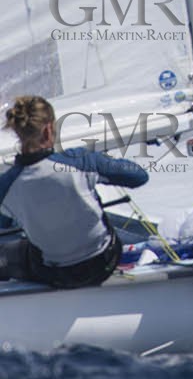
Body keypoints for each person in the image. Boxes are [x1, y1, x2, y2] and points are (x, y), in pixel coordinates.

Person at [0, 96, 148, 288]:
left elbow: (3, 224)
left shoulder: (6, 185)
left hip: (52, 274)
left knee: (10, 251)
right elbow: (139, 177)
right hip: (103, 263)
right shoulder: (81, 161)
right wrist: (100, 161)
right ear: (48, 130)